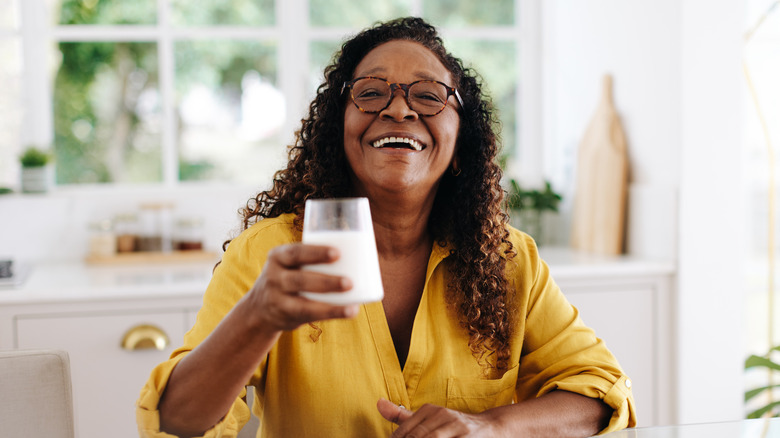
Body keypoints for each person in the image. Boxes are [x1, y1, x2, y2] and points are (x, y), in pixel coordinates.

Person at [136, 16, 637, 438]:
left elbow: (600, 389)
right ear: (340, 133)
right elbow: (176, 423)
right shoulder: (270, 252)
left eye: (429, 96)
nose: (398, 109)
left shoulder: (508, 260)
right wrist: (258, 318)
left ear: (461, 142)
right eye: (371, 93)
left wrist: (489, 426)